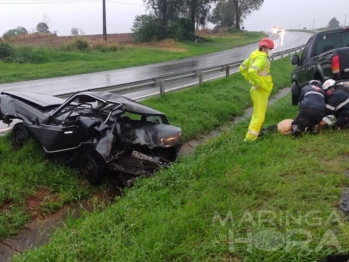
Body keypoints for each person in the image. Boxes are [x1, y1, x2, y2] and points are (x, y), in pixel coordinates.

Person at [239, 38, 274, 142]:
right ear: (264, 48)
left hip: (258, 89)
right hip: (260, 89)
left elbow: (242, 68)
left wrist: (250, 80)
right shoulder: (262, 59)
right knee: (259, 115)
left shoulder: (253, 56)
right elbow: (252, 71)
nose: (271, 51)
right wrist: (257, 83)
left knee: (257, 113)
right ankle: (250, 138)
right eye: (270, 49)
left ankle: (256, 134)